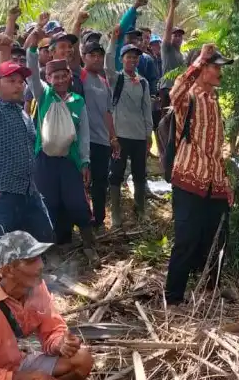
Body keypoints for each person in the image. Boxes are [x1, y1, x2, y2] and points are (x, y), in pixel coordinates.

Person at [0, 231, 94, 380]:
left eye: (39, 257)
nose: (40, 265)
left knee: (82, 360)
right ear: (8, 270)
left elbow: (52, 330)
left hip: (16, 364)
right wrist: (27, 377)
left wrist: (61, 343)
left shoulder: (37, 288)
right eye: (30, 260)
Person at [0, 34, 54, 271]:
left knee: (42, 238)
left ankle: (27, 292)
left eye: (21, 81)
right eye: (12, 80)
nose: (19, 85)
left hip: (27, 193)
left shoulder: (24, 114)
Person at [164, 44, 234, 305]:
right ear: (202, 69)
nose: (219, 72)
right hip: (188, 180)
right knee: (186, 239)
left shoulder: (215, 102)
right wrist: (198, 60)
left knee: (215, 239)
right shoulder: (189, 98)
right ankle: (173, 299)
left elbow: (216, 150)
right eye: (215, 67)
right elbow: (175, 92)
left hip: (214, 183)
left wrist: (225, 183)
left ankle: (209, 290)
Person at [26, 30, 98, 266]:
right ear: (49, 79)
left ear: (69, 77)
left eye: (63, 76)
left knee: (77, 201)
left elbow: (84, 134)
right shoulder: (43, 95)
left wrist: (85, 161)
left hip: (70, 159)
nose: (59, 80)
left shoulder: (78, 102)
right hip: (45, 159)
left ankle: (89, 244)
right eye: (54, 77)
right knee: (48, 203)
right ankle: (50, 248)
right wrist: (33, 48)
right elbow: (32, 74)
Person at [105, 30, 153, 225]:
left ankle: (140, 209)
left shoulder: (143, 82)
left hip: (139, 135)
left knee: (140, 172)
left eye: (135, 57)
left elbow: (146, 109)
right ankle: (116, 213)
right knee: (116, 173)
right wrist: (113, 40)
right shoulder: (116, 79)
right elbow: (108, 62)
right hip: (120, 135)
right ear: (123, 60)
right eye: (129, 57)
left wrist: (148, 134)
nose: (133, 60)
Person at [79, 40, 120, 230]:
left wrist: (113, 138)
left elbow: (107, 112)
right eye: (92, 55)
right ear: (83, 57)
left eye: (99, 55)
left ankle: (99, 220)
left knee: (100, 182)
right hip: (84, 140)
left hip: (102, 140)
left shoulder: (104, 81)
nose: (96, 59)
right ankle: (82, 219)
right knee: (82, 181)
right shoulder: (80, 75)